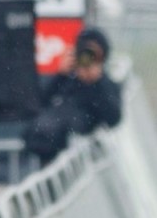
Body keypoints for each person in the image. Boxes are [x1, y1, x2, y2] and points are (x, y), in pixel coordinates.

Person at [23, 27, 122, 164]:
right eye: (85, 52)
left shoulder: (107, 85)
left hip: (83, 159)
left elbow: (113, 118)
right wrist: (60, 74)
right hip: (51, 151)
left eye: (93, 54)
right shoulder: (66, 80)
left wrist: (97, 82)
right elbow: (38, 102)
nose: (88, 58)